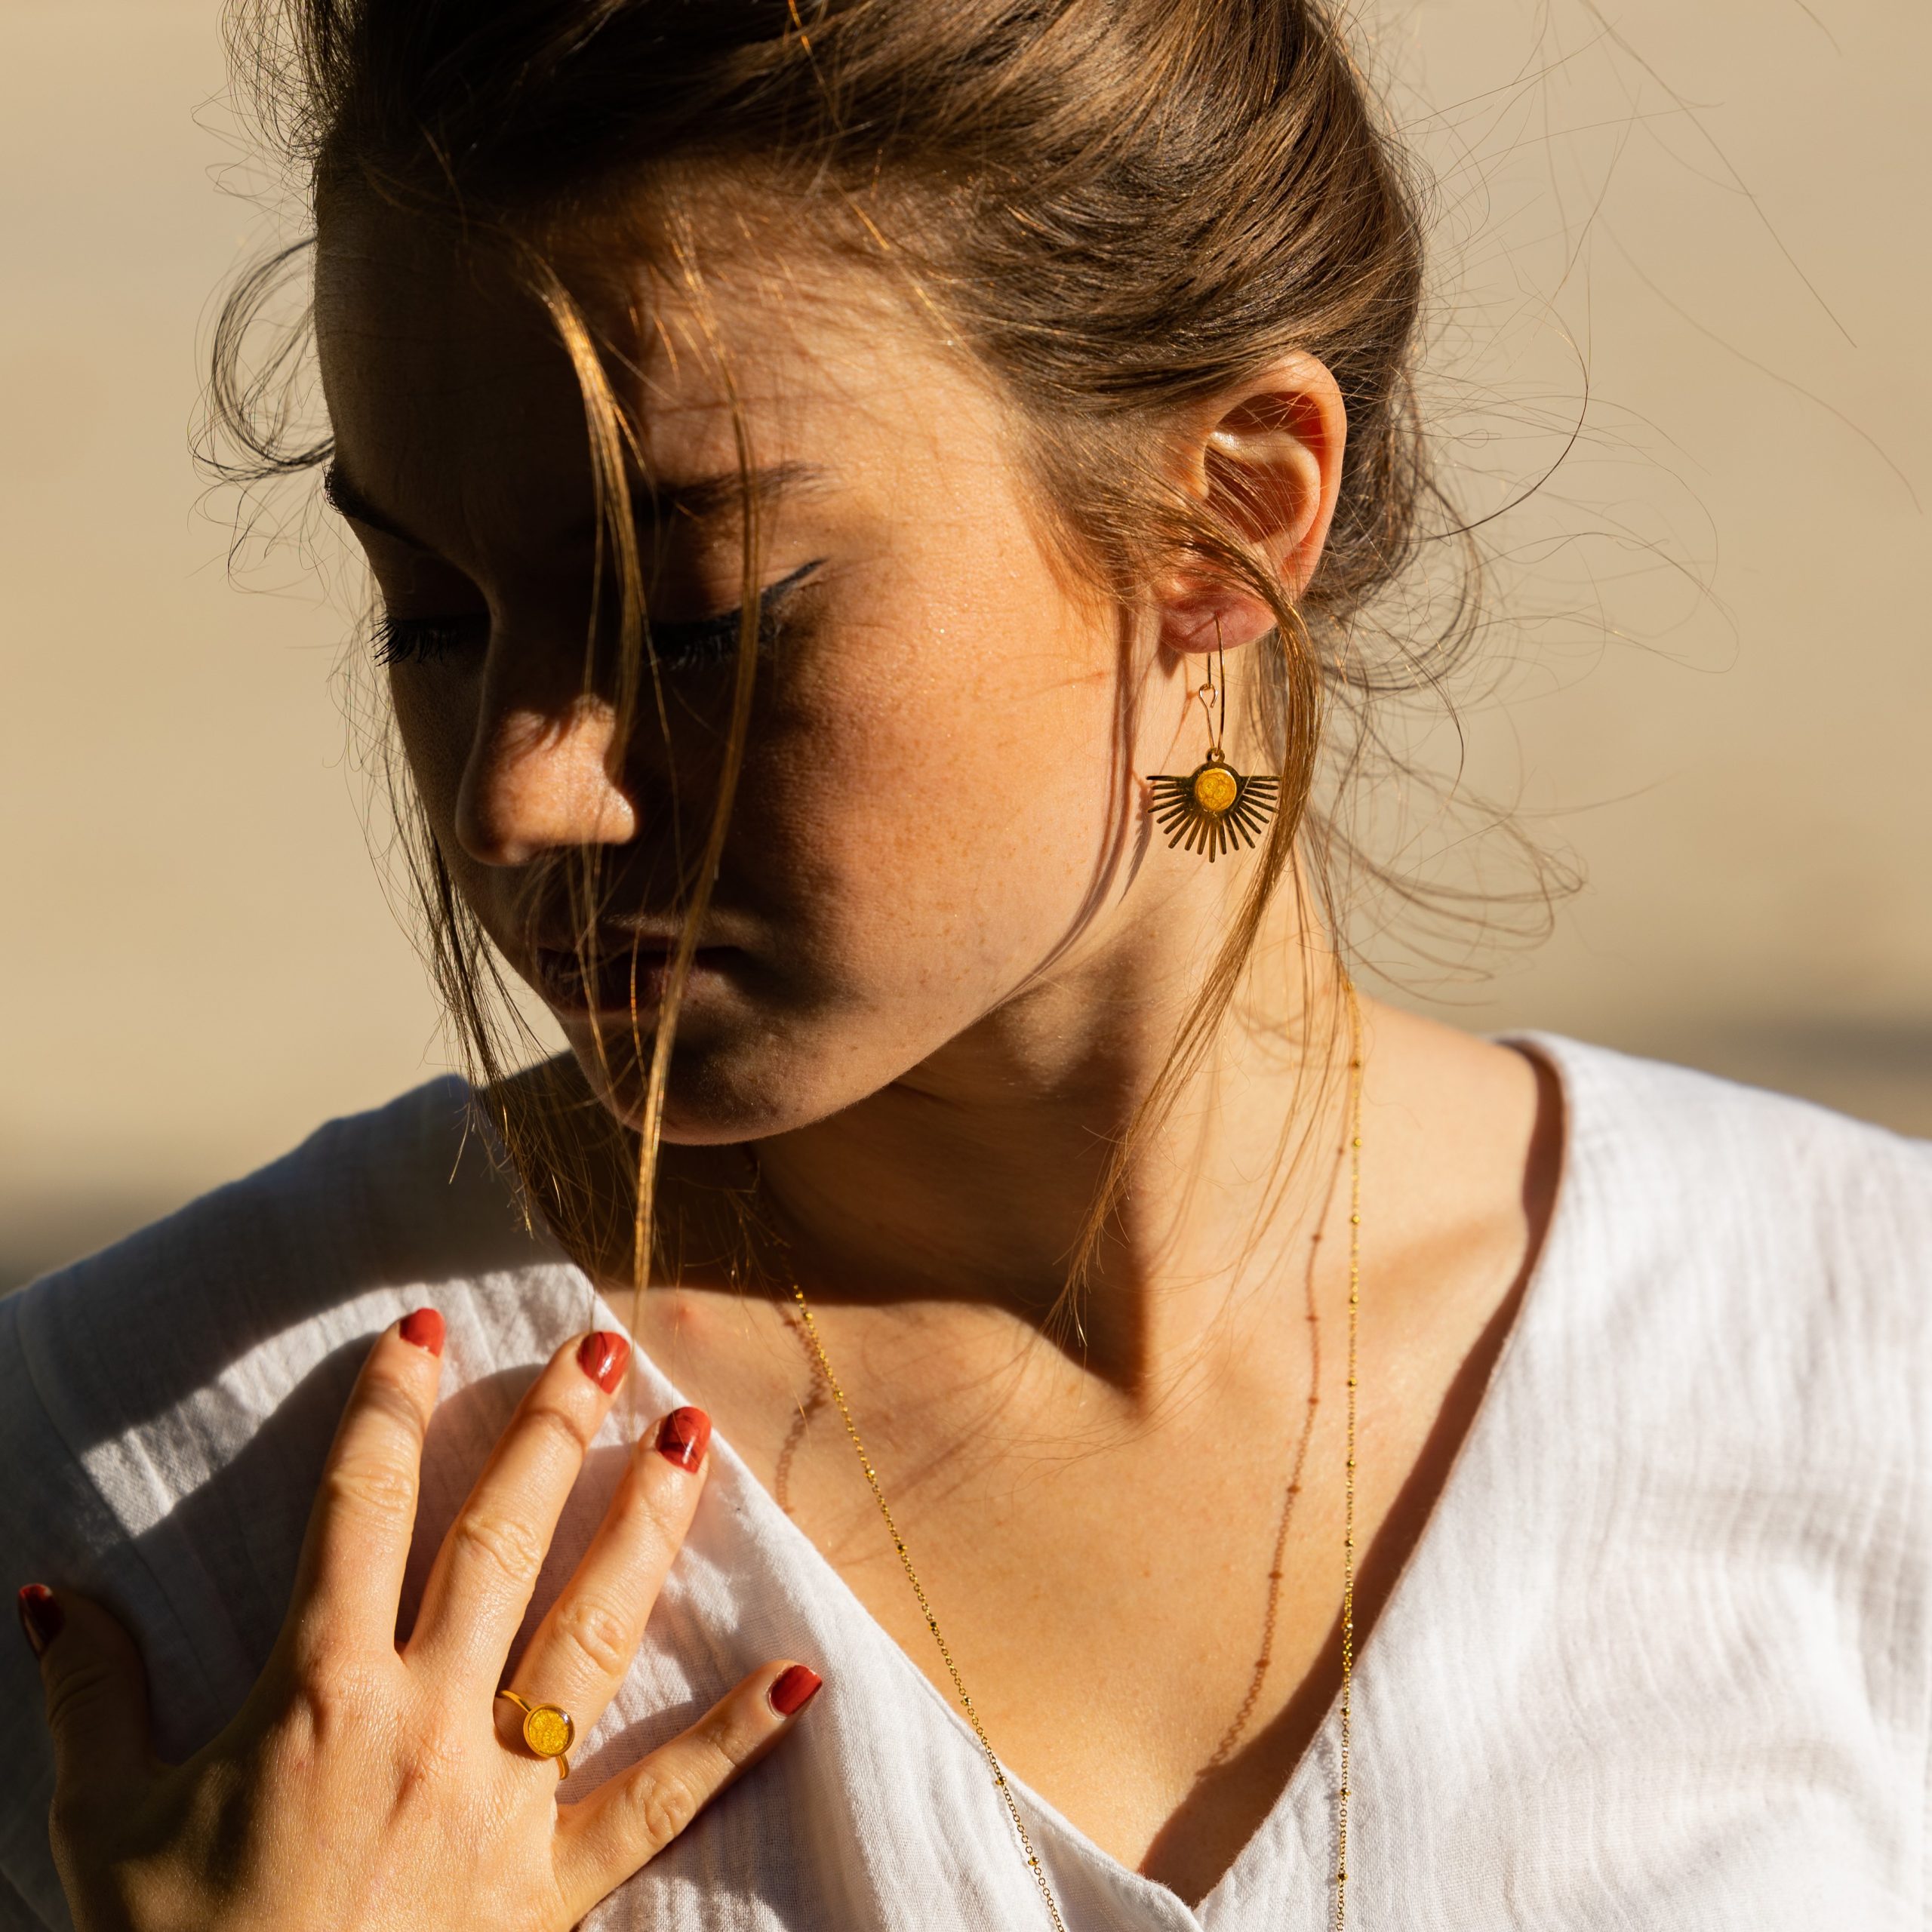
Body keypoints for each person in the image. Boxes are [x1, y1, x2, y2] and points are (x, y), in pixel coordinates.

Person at [4, 1, 1927, 1927]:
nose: (520, 792)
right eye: (431, 617)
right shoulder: (166, 1491)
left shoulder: (1848, 1356)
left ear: (1228, 515)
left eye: (691, 620)